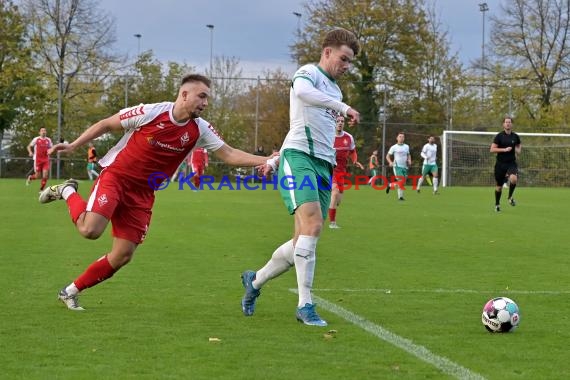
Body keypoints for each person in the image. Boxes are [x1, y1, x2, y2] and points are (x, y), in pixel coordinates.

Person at [38, 74, 277, 311]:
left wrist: (267, 159)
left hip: (143, 193)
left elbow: (230, 153)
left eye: (207, 99)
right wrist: (72, 145)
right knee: (90, 230)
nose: (205, 103)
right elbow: (106, 124)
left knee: (122, 256)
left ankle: (69, 291)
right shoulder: (151, 112)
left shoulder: (200, 129)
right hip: (116, 177)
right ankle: (68, 190)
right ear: (184, 94)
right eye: (201, 96)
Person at [240, 28, 360, 326]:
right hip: (300, 160)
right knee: (314, 224)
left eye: (350, 62)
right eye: (343, 59)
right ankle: (305, 305)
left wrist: (274, 157)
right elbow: (303, 93)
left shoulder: (334, 90)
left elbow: (302, 125)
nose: (346, 66)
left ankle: (254, 282)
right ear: (327, 52)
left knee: (301, 243)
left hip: (323, 164)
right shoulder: (308, 73)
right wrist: (342, 107)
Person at [328, 114, 364, 229]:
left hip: (341, 171)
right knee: (335, 192)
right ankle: (332, 223)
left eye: (342, 121)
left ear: (344, 123)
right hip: (330, 169)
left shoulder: (348, 137)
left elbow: (353, 152)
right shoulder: (328, 137)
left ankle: (329, 204)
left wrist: (355, 161)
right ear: (334, 123)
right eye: (337, 121)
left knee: (338, 199)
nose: (340, 123)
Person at [490, 116, 521, 212]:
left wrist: (517, 150)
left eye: (509, 122)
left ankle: (510, 197)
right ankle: (497, 204)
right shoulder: (499, 136)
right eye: (506, 122)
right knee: (499, 187)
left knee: (514, 179)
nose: (508, 123)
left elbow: (519, 147)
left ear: (512, 124)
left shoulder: (515, 136)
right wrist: (504, 149)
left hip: (511, 163)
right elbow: (492, 149)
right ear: (503, 124)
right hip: (500, 164)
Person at [385, 132, 411, 201]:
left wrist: (409, 160)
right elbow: (387, 156)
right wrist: (390, 162)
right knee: (401, 180)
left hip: (405, 167)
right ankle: (400, 197)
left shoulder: (407, 146)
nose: (401, 138)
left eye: (403, 137)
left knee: (403, 182)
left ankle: (390, 185)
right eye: (400, 136)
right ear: (397, 138)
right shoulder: (394, 147)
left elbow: (408, 154)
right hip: (397, 166)